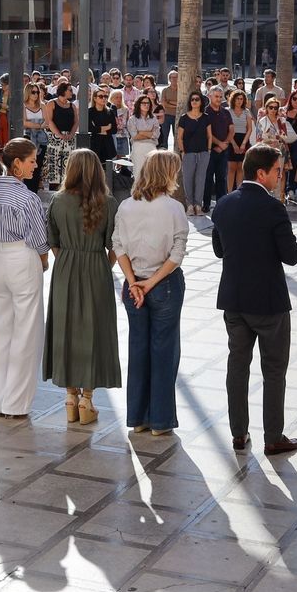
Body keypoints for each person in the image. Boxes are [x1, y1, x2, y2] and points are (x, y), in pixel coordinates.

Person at [210, 145, 297, 455]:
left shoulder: (223, 204)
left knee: (237, 366)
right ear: (261, 173)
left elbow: (219, 250)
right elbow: (291, 256)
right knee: (274, 369)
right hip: (268, 302)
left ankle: (239, 433)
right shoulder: (273, 208)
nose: (281, 175)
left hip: (234, 298)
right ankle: (273, 437)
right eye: (277, 170)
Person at [45, 149, 122, 424]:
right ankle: (87, 399)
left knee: (65, 330)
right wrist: (103, 265)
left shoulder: (57, 200)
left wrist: (67, 259)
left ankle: (70, 397)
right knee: (94, 331)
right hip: (96, 268)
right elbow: (115, 245)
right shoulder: (108, 202)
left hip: (65, 267)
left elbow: (52, 240)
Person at [115, 150, 188, 435]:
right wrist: (152, 282)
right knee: (164, 350)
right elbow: (177, 254)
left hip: (133, 283)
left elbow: (118, 246)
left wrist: (134, 281)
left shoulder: (126, 206)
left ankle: (138, 418)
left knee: (138, 350)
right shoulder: (174, 208)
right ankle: (160, 421)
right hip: (164, 284)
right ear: (168, 174)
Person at [0, 138, 50, 418]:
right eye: (32, 161)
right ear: (17, 163)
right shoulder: (27, 198)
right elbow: (40, 238)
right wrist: (43, 259)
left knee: (1, 328)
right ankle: (16, 402)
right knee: (26, 332)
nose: (35, 165)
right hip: (23, 256)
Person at [175, 92, 212, 215]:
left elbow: (209, 136)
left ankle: (198, 205)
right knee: (188, 179)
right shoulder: (184, 118)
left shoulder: (206, 117)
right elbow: (179, 137)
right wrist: (182, 151)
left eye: (197, 99)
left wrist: (209, 150)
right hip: (188, 153)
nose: (194, 101)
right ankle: (190, 205)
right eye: (192, 100)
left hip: (203, 152)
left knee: (200, 180)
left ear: (201, 102)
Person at [125, 94, 161, 180]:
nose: (146, 105)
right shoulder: (132, 119)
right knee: (139, 172)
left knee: (151, 172)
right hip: (138, 146)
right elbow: (135, 136)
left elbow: (156, 134)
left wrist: (141, 132)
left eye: (148, 103)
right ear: (139, 104)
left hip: (151, 146)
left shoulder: (153, 118)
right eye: (144, 103)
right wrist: (149, 133)